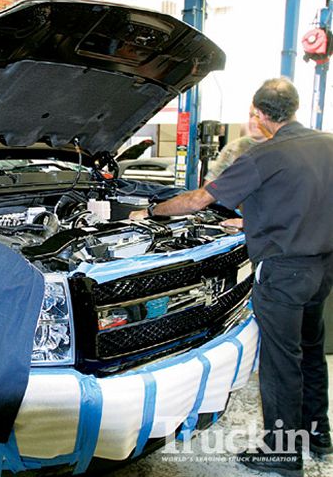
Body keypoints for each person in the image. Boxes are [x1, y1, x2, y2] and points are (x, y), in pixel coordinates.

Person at [129, 77, 333, 477]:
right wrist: (253, 223)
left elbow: (198, 199)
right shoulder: (327, 144)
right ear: (292, 109)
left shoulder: (262, 156)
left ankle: (282, 454)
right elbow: (302, 200)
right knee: (311, 349)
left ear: (258, 113)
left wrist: (150, 213)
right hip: (323, 268)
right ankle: (319, 435)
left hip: (283, 274)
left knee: (280, 361)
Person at [204, 106, 269, 183]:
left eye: (258, 117)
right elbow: (211, 182)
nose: (253, 121)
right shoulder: (234, 148)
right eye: (251, 116)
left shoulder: (280, 149)